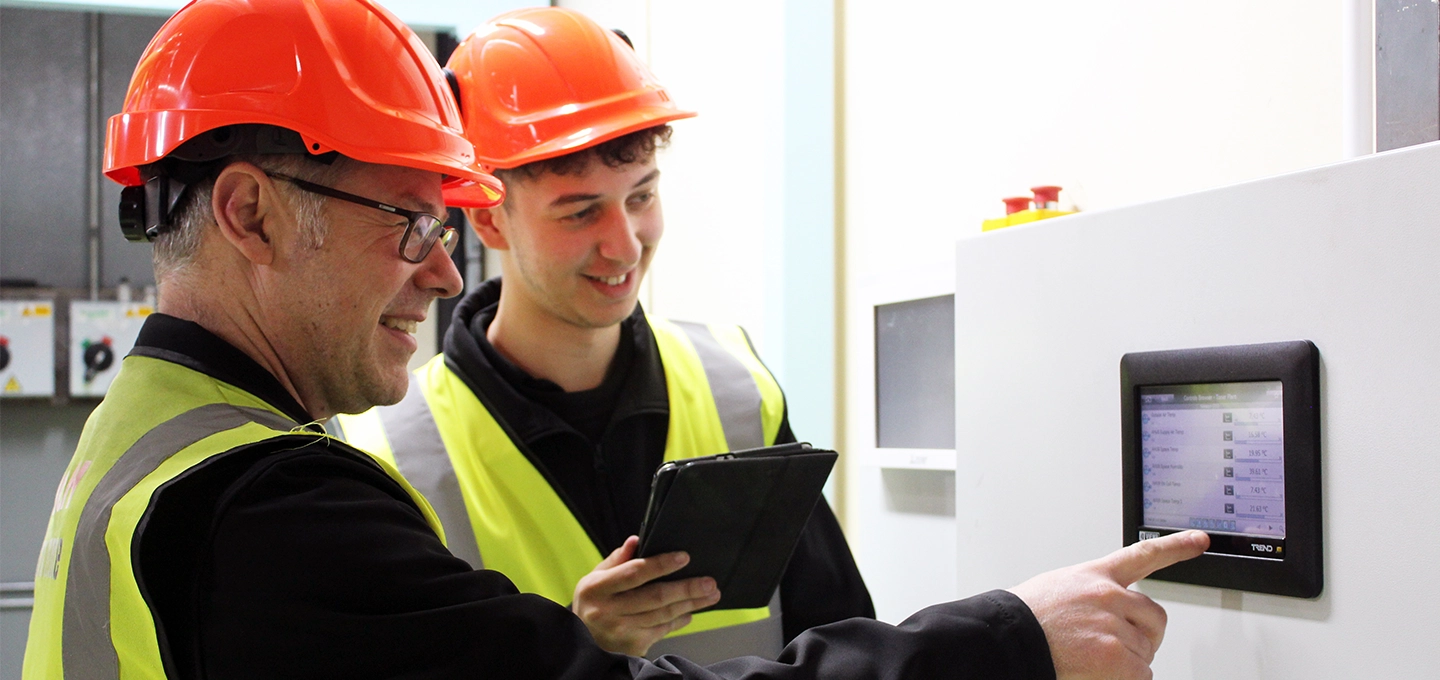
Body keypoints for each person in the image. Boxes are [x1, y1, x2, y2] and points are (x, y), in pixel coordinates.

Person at [23, 1, 1209, 678]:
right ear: (248, 213)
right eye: (410, 222)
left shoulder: (151, 444)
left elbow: (838, 614)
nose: (441, 270)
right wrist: (1007, 641)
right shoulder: (294, 495)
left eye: (638, 193)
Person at [335, 7, 871, 663]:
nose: (624, 246)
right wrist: (572, 649)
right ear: (490, 221)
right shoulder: (393, 454)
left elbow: (844, 644)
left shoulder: (739, 389)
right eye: (581, 211)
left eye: (641, 197)